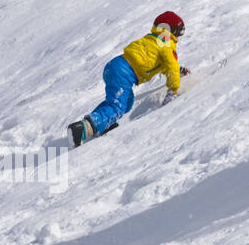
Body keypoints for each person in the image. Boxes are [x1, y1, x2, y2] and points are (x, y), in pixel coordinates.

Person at [69, 13, 188, 147]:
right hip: (124, 72)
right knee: (117, 106)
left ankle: (101, 123)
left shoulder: (154, 39)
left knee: (126, 102)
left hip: (116, 66)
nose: (178, 37)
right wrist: (172, 90)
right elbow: (171, 65)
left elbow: (165, 66)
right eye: (178, 32)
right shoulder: (165, 43)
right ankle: (83, 128)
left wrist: (179, 71)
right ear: (169, 30)